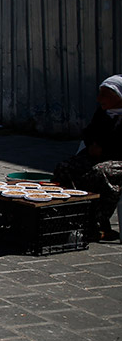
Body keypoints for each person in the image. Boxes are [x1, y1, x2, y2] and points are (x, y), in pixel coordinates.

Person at [53, 76, 122, 242]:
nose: (99, 99)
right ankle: (65, 215)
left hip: (118, 159)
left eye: (105, 95)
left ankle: (97, 222)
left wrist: (104, 148)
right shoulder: (103, 112)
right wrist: (92, 144)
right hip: (99, 155)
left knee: (99, 173)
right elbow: (89, 132)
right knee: (65, 167)